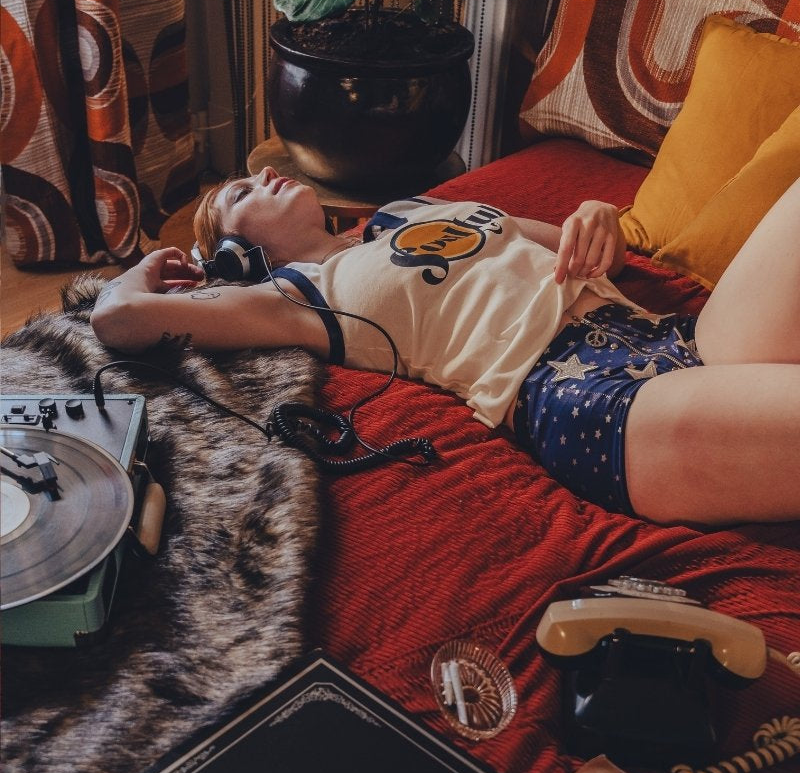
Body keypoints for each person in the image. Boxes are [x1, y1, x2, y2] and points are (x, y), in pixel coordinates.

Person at [90, 168, 800, 527]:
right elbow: (119, 320)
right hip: (589, 396)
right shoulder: (297, 296)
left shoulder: (410, 210)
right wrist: (144, 268)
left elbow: (587, 252)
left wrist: (597, 215)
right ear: (238, 257)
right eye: (241, 194)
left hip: (665, 334)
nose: (264, 175)